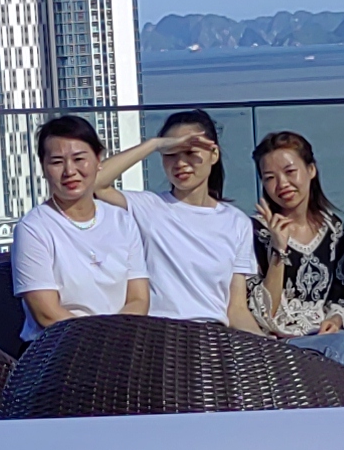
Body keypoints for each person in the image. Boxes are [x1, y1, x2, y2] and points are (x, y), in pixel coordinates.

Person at [248, 131, 344, 379]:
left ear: (311, 170)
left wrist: (336, 319)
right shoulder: (255, 232)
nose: (282, 184)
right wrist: (278, 250)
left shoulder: (333, 229)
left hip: (323, 330)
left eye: (290, 172)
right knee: (340, 347)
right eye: (270, 178)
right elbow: (264, 314)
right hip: (282, 339)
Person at [93, 110, 257, 328]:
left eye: (190, 152)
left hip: (212, 336)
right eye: (170, 154)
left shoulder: (237, 222)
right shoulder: (149, 207)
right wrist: (154, 144)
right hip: (159, 334)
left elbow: (236, 309)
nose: (180, 163)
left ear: (213, 155)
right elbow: (94, 183)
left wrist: (264, 344)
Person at [9, 113, 149, 335]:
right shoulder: (33, 228)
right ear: (43, 168)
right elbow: (47, 314)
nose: (69, 171)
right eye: (57, 162)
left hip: (121, 340)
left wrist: (114, 337)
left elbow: (139, 299)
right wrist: (98, 340)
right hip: (59, 345)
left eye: (79, 159)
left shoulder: (122, 220)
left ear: (98, 159)